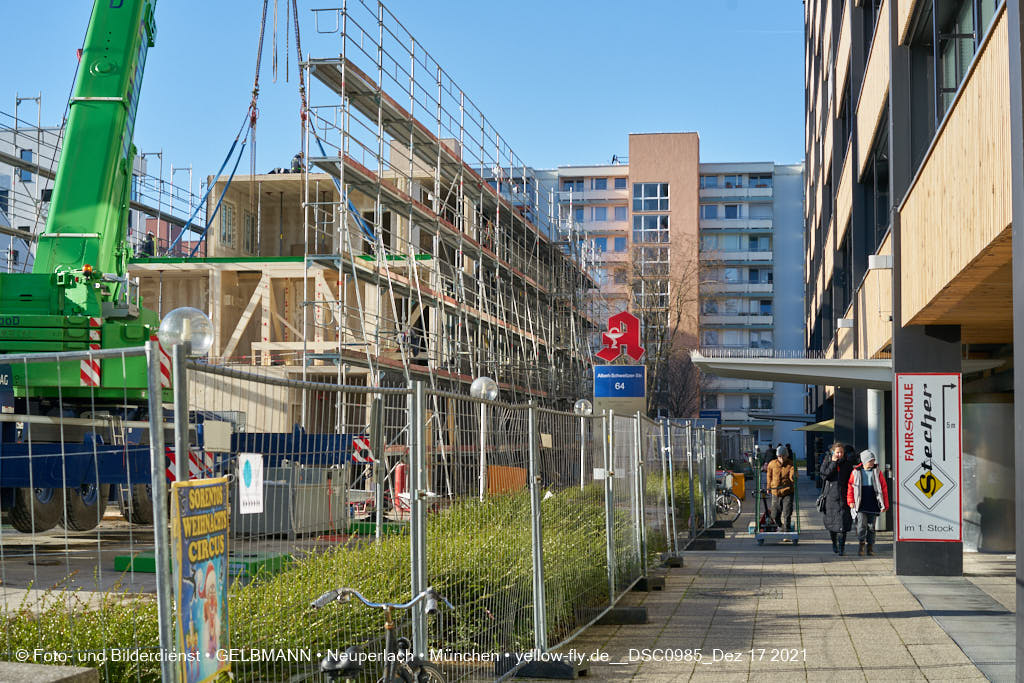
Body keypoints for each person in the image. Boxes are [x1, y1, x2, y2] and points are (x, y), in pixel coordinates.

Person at [847, 449, 889, 555]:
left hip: (873, 503)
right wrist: (851, 501)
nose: (873, 462)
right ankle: (861, 543)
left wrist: (885, 504)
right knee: (861, 525)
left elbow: (883, 488)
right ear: (865, 461)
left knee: (871, 527)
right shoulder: (856, 472)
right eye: (870, 460)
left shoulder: (877, 472)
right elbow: (850, 488)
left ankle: (870, 547)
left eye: (873, 460)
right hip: (861, 503)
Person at [819, 442, 855, 554]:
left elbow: (851, 480)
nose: (839, 454)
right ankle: (834, 543)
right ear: (833, 452)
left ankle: (841, 548)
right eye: (837, 452)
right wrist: (833, 463)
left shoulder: (847, 464)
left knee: (843, 524)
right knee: (832, 524)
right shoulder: (827, 461)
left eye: (841, 452)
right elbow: (824, 475)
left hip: (843, 497)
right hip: (830, 497)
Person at [766, 445, 796, 532]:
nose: (781, 458)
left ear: (787, 455)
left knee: (787, 512)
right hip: (775, 492)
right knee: (775, 514)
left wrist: (793, 476)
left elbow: (793, 473)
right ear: (777, 456)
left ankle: (787, 530)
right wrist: (768, 487)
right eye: (779, 456)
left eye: (783, 456)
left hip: (787, 491)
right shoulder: (772, 464)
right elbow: (769, 476)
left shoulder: (790, 464)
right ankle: (780, 525)